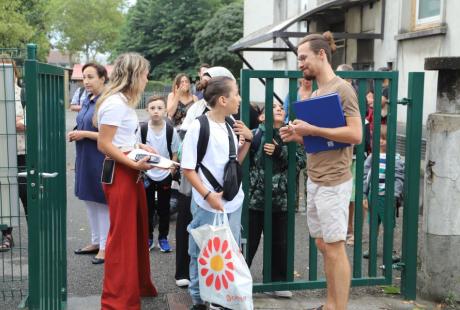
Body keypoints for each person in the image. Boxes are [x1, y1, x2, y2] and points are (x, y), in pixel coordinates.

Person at [280, 31, 362, 310]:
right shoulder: (317, 93)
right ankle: (329, 305)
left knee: (335, 247)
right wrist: (298, 136)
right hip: (315, 179)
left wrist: (311, 128)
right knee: (323, 245)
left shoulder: (343, 89)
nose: (300, 63)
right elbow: (322, 140)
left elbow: (355, 134)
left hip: (334, 181)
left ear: (321, 54)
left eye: (303, 58)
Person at [181, 76, 253, 310]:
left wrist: (248, 142)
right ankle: (199, 300)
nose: (239, 98)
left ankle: (221, 299)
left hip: (232, 202)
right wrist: (208, 196)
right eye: (236, 94)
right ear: (223, 99)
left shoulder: (232, 124)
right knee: (201, 251)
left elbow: (234, 164)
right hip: (207, 204)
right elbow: (188, 168)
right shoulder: (199, 126)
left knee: (226, 253)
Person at [95, 52, 158, 309]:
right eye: (144, 74)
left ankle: (135, 287)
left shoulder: (122, 102)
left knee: (136, 231)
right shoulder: (115, 104)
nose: (146, 79)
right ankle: (117, 300)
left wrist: (141, 146)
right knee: (122, 237)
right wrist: (134, 163)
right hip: (121, 173)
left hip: (129, 170)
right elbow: (104, 144)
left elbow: (121, 140)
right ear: (133, 75)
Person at [174, 66, 236, 289]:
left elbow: (234, 157)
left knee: (222, 245)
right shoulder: (198, 114)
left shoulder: (230, 118)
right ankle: (195, 286)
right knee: (194, 234)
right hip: (198, 186)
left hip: (223, 194)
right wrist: (207, 193)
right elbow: (187, 157)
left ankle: (216, 290)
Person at [246, 101, 306, 298]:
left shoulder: (293, 135)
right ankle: (240, 280)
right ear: (262, 117)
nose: (279, 109)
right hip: (255, 198)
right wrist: (264, 139)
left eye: (281, 107)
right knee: (249, 242)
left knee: (279, 243)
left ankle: (277, 281)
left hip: (282, 199)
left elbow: (301, 162)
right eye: (272, 108)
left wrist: (281, 151)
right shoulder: (254, 134)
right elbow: (251, 159)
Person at [68, 63, 109, 264]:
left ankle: (105, 246)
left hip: (99, 157)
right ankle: (95, 241)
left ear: (102, 78)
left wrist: (82, 133)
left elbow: (109, 135)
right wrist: (78, 130)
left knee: (101, 201)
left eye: (90, 77)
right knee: (88, 200)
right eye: (84, 77)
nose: (86, 81)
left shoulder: (106, 102)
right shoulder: (87, 99)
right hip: (84, 155)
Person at [140, 95, 180, 252]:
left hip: (164, 175)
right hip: (148, 174)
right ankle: (149, 238)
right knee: (147, 208)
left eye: (159, 108)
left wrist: (171, 168)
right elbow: (137, 148)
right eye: (152, 108)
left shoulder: (171, 130)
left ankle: (163, 238)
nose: (156, 111)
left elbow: (175, 151)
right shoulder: (142, 129)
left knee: (164, 208)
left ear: (165, 110)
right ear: (147, 110)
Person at [362, 124, 404, 261]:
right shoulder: (372, 156)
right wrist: (364, 193)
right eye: (378, 138)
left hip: (387, 197)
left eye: (384, 138)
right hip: (373, 196)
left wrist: (395, 194)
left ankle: (389, 250)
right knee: (373, 224)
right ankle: (372, 248)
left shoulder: (396, 158)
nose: (381, 141)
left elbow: (399, 177)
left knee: (389, 225)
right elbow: (365, 174)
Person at [0, 57, 26, 252]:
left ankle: (36, 235)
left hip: (21, 150)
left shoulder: (23, 93)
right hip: (2, 153)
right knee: (4, 194)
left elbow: (27, 123)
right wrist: (13, 121)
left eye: (5, 70)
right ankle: (6, 235)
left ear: (13, 72)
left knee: (26, 192)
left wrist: (16, 122)